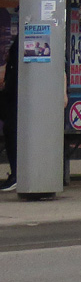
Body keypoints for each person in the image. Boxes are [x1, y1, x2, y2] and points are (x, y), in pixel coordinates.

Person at [1, 31, 18, 192]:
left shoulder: (24, 39)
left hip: (17, 96)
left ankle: (16, 175)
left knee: (11, 130)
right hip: (13, 94)